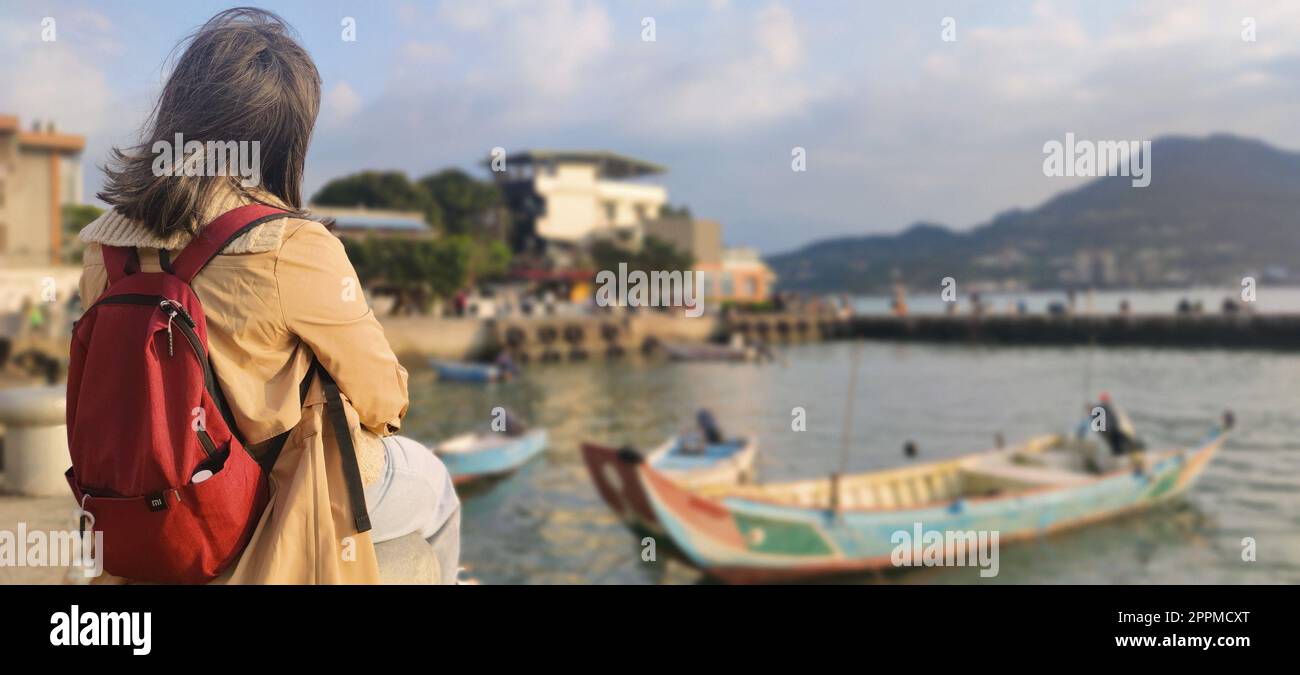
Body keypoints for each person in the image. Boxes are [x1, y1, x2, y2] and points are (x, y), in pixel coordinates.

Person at [81, 9, 458, 584]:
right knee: (436, 484)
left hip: (135, 508)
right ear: (286, 137)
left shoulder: (102, 246)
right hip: (262, 511)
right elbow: (384, 398)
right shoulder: (292, 245)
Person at [1093, 391, 1145, 456]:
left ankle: (1126, 452)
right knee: (1121, 443)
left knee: (1120, 444)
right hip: (1112, 431)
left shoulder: (1105, 409)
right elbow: (1106, 423)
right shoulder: (1102, 409)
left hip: (1112, 431)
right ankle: (1129, 452)